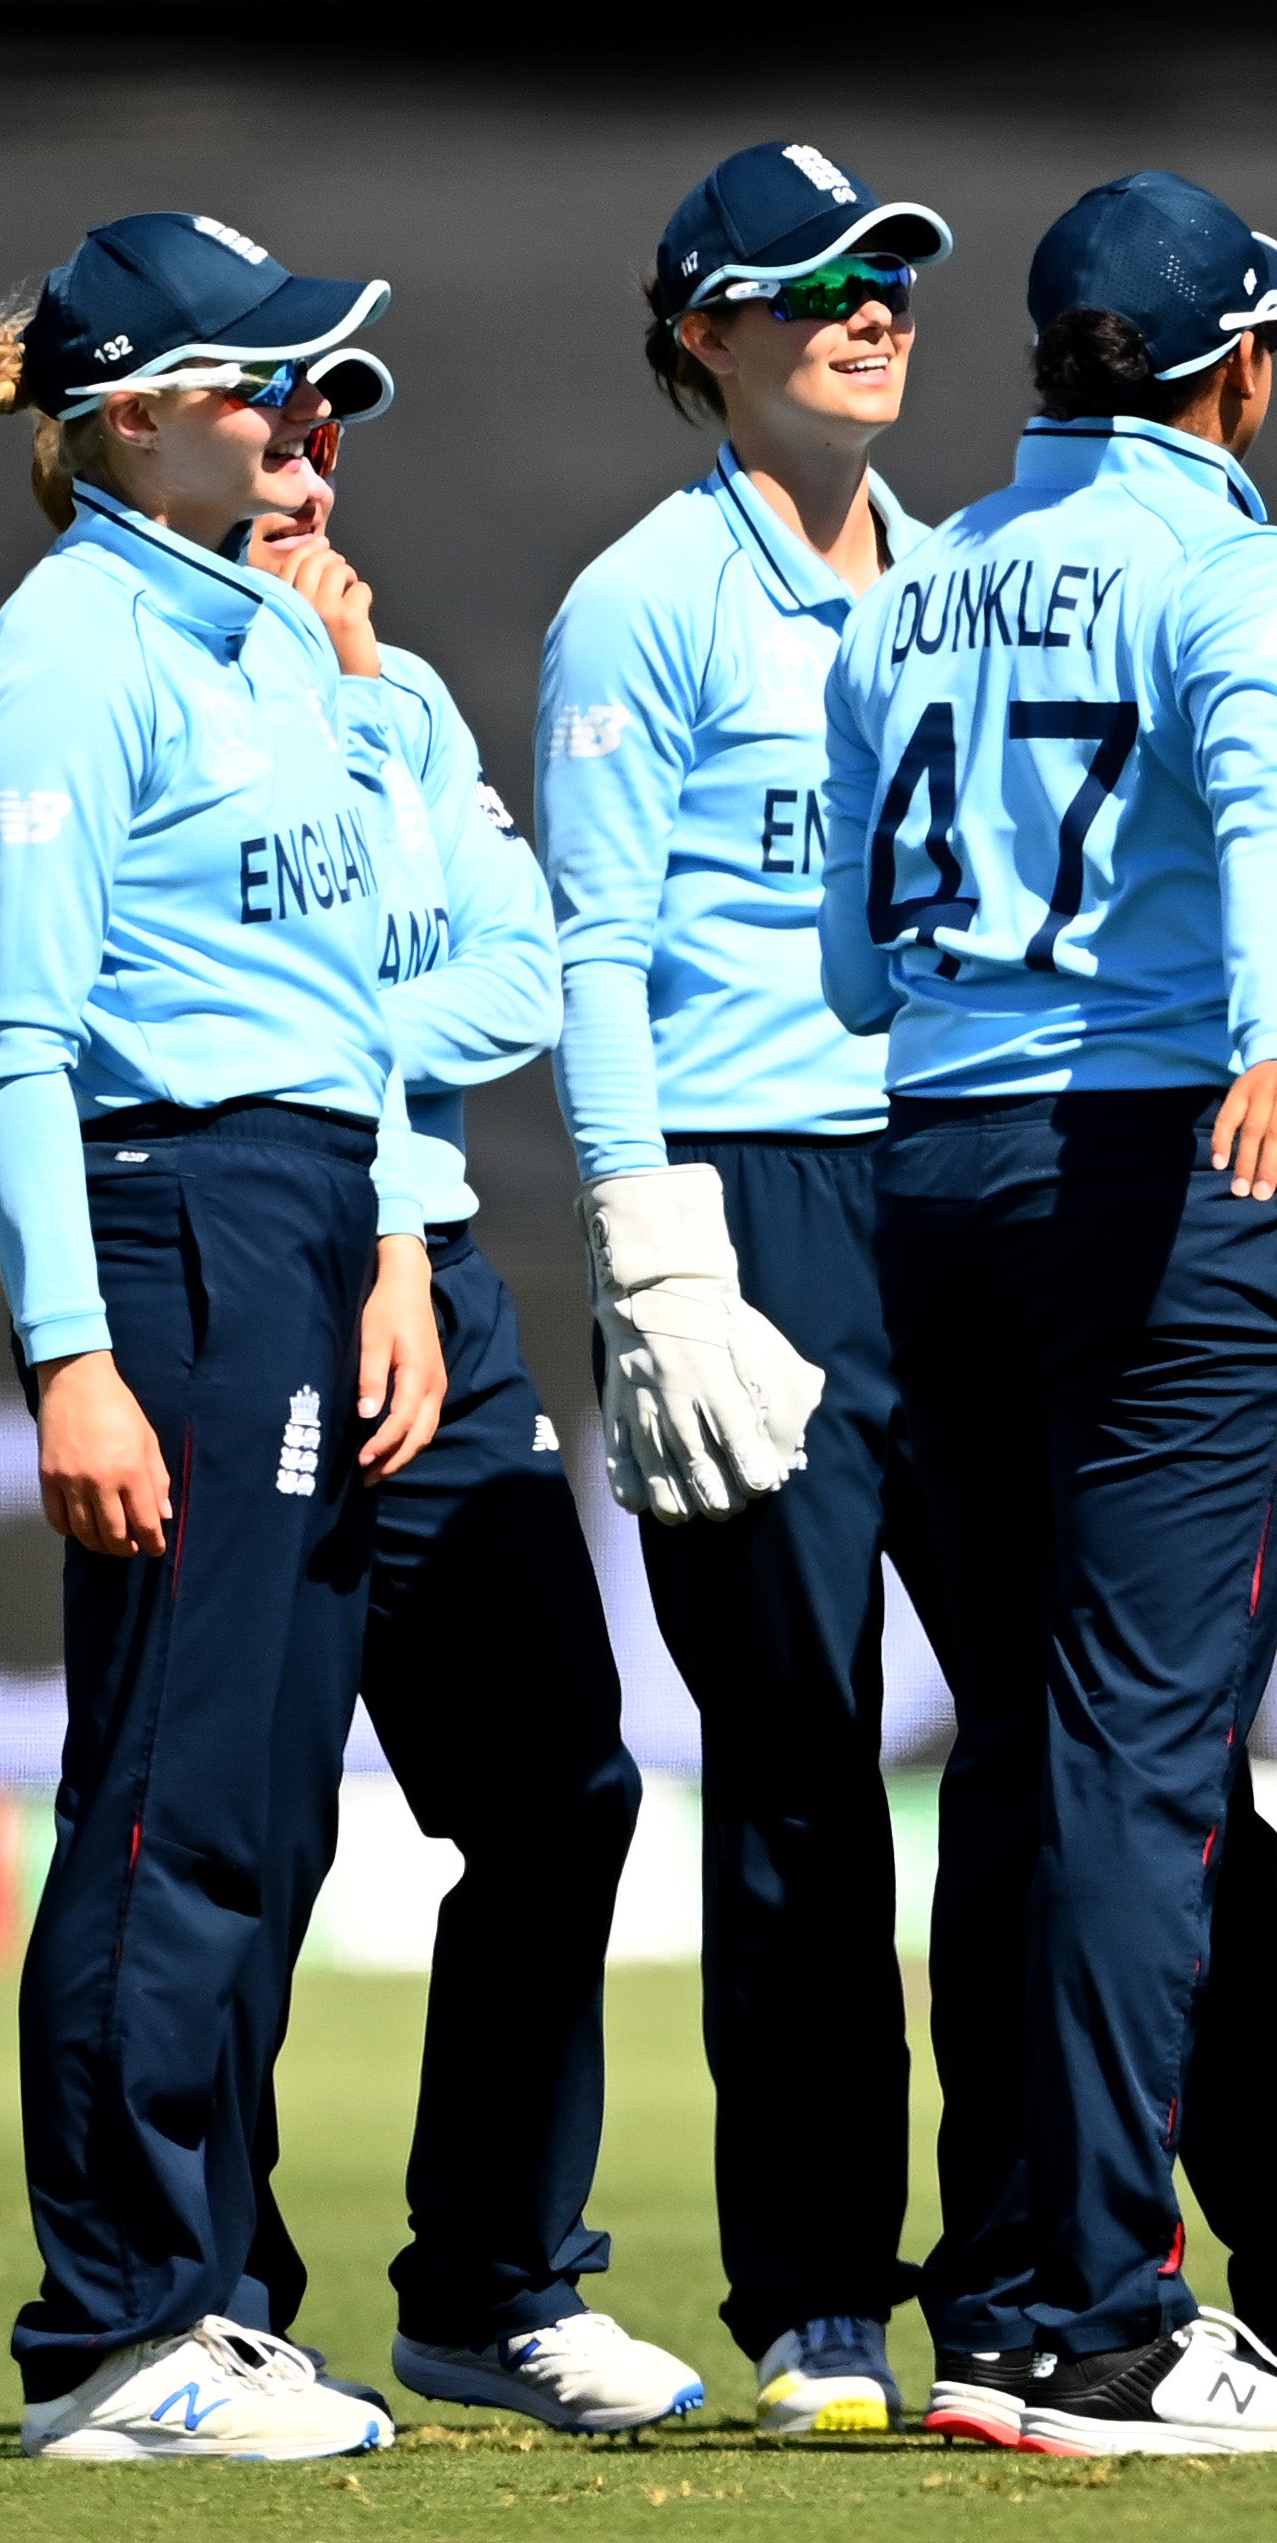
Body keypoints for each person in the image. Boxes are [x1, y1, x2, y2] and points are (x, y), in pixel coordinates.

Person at [813, 169, 1277, 2459]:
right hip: (1163, 1160)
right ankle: (1110, 2313)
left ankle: (1019, 2297)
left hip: (932, 1161)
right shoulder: (1237, 560)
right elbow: (1270, 811)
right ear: (1231, 367)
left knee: (1041, 1754)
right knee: (1141, 1751)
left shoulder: (901, 587)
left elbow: (851, 962)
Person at [0, 210, 445, 2462]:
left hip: (309, 1214)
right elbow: (18, 1036)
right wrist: (71, 1348)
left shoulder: (260, 637)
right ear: (127, 410)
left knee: (255, 1790)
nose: (293, 417)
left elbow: (355, 994)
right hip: (179, 1223)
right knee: (164, 1792)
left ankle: (210, 2293)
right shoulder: (70, 652)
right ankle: (118, 2330)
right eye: (256, 380)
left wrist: (398, 1238)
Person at [534, 140, 951, 2435]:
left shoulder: (971, 575)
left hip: (972, 1191)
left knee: (1078, 1742)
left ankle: (1074, 2256)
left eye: (888, 272)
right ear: (705, 331)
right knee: (797, 1767)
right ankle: (814, 2292)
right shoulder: (644, 600)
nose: (867, 309)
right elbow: (596, 946)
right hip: (752, 1210)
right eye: (808, 285)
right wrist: (649, 1235)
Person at [227, 456, 705, 2434]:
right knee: (236, 1819)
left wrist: (358, 707)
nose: (315, 472)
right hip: (239, 1263)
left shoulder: (394, 693)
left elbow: (520, 972)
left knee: (558, 1785)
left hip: (425, 1273)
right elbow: (162, 1005)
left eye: (336, 434)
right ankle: (197, 2302)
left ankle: (496, 2283)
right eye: (270, 433)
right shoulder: (106, 688)